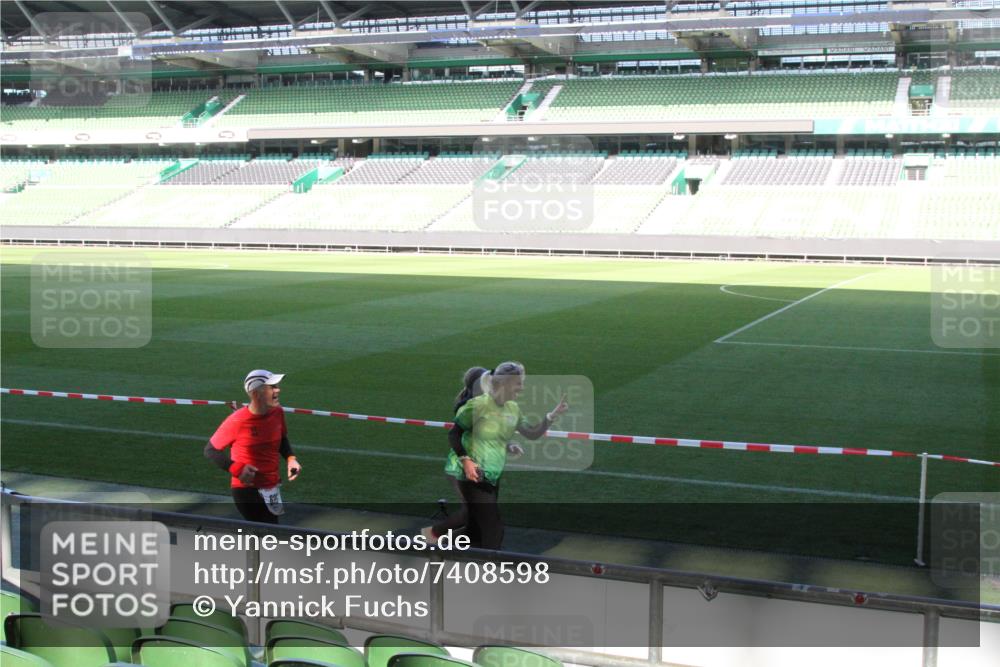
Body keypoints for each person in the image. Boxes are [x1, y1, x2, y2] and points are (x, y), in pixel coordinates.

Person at [434, 361, 567, 550]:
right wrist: (466, 460)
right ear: (504, 384)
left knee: (474, 531)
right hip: (473, 475)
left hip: (493, 475)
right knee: (494, 530)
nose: (521, 388)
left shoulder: (513, 408)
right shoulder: (477, 406)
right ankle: (490, 572)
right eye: (518, 383)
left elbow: (532, 433)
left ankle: (432, 544)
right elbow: (454, 433)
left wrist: (552, 415)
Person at [204, 369, 302, 524]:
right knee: (264, 533)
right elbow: (210, 450)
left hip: (272, 486)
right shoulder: (238, 421)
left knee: (268, 534)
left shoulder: (277, 412)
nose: (278, 390)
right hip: (247, 490)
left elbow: (281, 437)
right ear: (256, 393)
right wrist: (236, 469)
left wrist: (291, 458)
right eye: (272, 387)